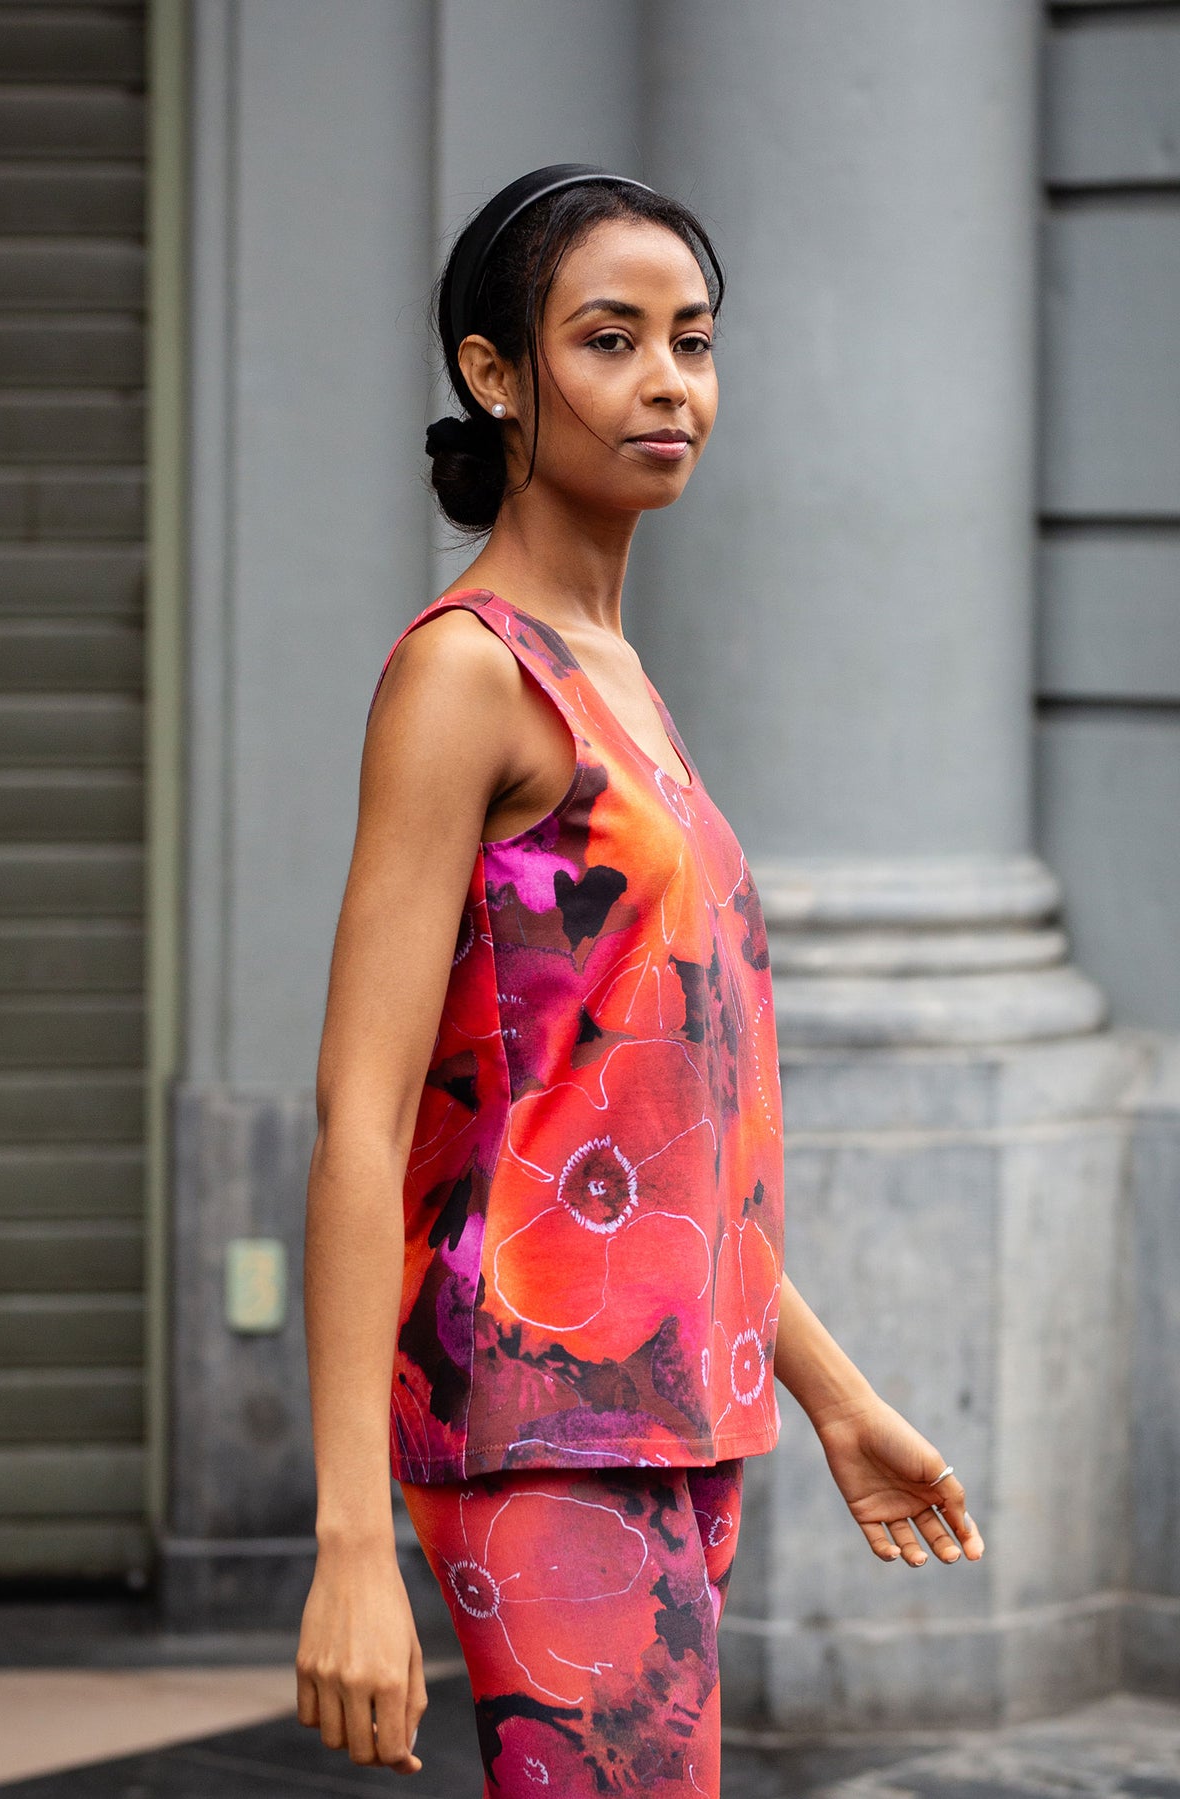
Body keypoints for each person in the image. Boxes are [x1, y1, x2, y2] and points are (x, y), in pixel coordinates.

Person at [294, 164, 984, 1797]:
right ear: (494, 372)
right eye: (611, 340)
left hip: (671, 1416)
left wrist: (834, 1399)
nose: (670, 383)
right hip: (534, 1424)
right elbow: (360, 1115)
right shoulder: (469, 672)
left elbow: (666, 1132)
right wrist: (343, 1546)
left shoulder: (617, 676)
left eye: (694, 340)